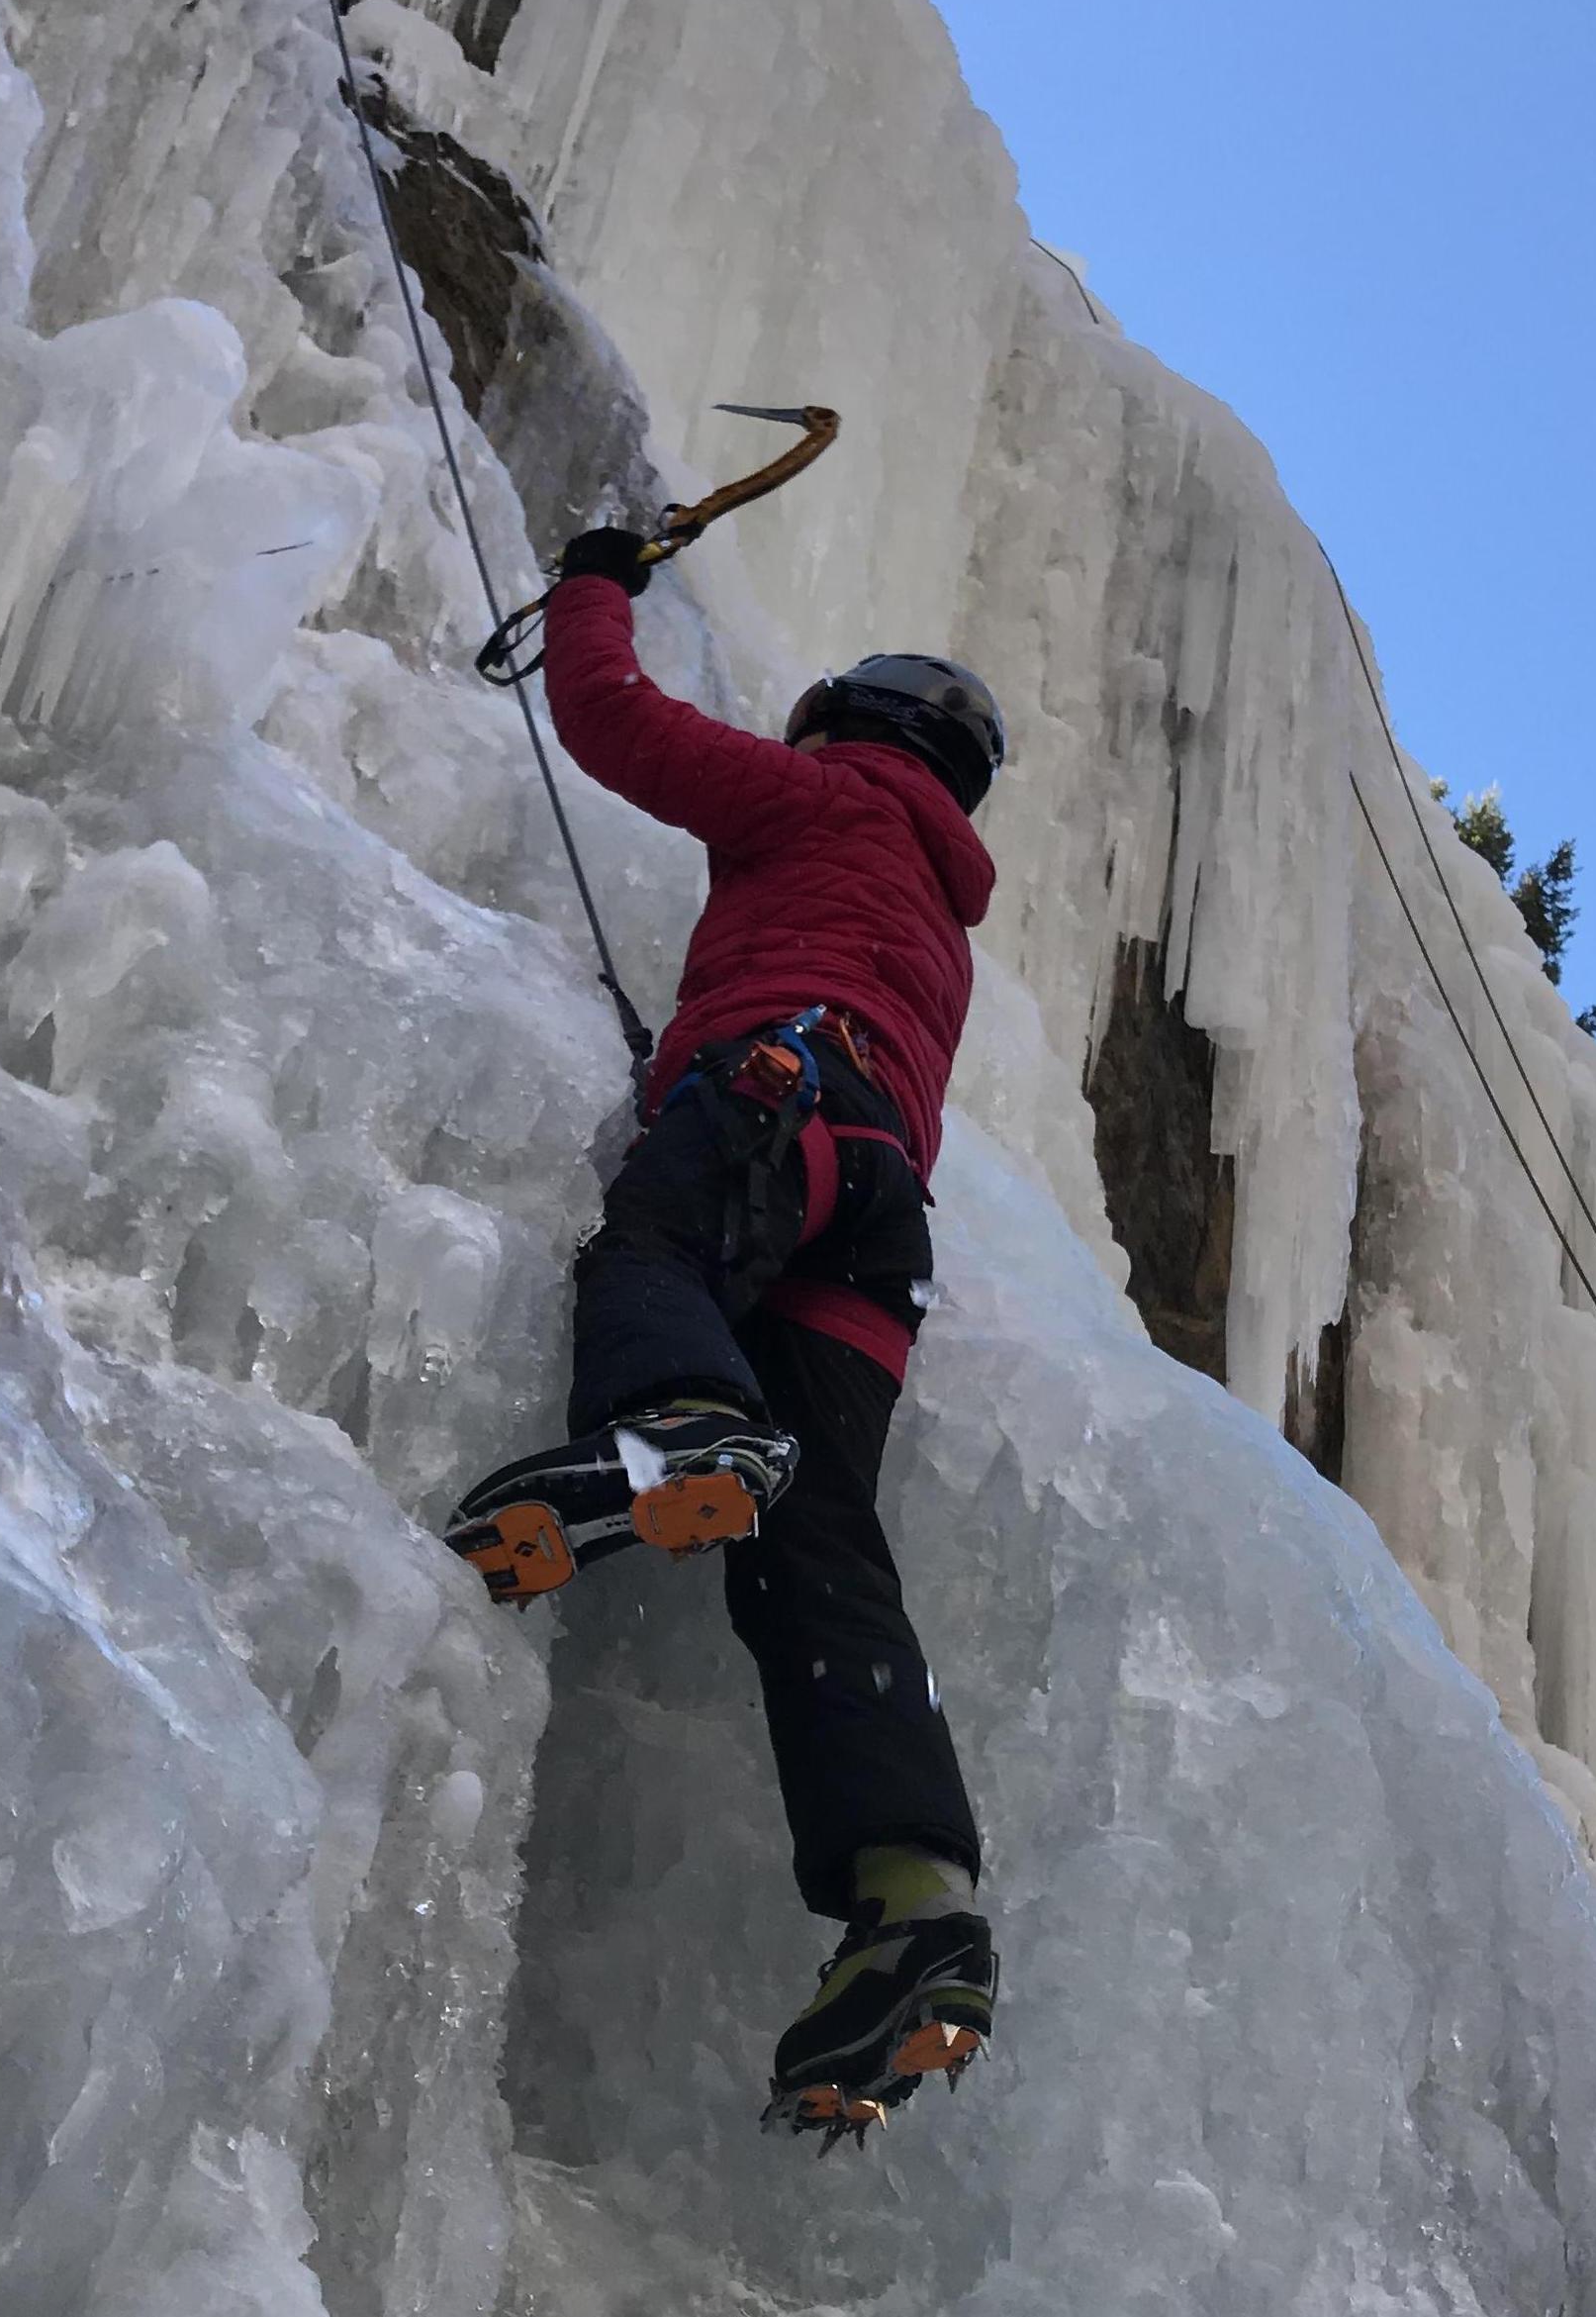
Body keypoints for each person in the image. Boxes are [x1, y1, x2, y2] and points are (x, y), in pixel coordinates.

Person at [443, 525, 1007, 2145]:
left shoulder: (825, 797)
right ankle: (911, 1899)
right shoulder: (943, 924)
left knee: (654, 1243)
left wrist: (594, 579)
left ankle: (683, 1421)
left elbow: (614, 722)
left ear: (849, 730)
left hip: (776, 1096)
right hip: (877, 1202)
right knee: (819, 1542)